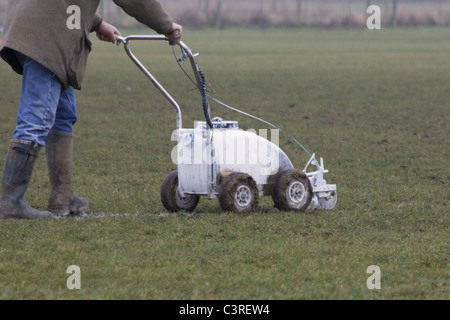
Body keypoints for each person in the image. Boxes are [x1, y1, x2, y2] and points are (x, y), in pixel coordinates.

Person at [0, 0, 182, 219]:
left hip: (27, 22)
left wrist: (97, 23)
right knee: (36, 120)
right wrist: (167, 26)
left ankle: (62, 196)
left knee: (63, 114)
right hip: (48, 32)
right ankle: (11, 202)